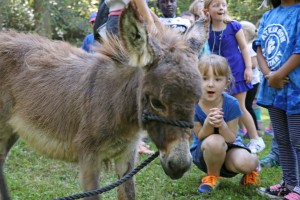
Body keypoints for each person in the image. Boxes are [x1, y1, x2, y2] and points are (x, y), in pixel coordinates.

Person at [190, 54, 260, 194]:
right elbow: (200, 135)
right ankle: (212, 177)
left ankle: (253, 168)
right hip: (204, 153)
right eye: (204, 79)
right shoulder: (193, 104)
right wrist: (209, 123)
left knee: (248, 163)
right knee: (215, 141)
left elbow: (231, 138)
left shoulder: (231, 103)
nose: (210, 84)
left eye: (217, 79)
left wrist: (221, 125)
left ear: (226, 83)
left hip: (230, 148)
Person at [204, 0, 265, 154]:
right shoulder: (205, 28)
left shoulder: (234, 26)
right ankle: (225, 139)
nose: (221, 8)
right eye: (216, 5)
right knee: (220, 107)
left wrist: (248, 69)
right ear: (207, 9)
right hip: (218, 73)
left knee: (240, 106)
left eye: (223, 5)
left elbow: (244, 48)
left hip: (236, 71)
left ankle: (256, 139)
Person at [253, 0, 300, 199]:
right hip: (273, 88)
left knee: (298, 139)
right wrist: (269, 76)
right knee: (282, 139)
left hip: (295, 88)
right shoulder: (269, 15)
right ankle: (289, 184)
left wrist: (279, 74)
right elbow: (260, 47)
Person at [238, 20, 262, 137]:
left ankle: (255, 130)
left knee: (247, 106)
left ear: (245, 33)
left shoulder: (249, 46)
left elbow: (253, 64)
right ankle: (248, 130)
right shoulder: (241, 46)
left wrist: (240, 63)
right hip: (246, 81)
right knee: (244, 106)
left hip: (253, 81)